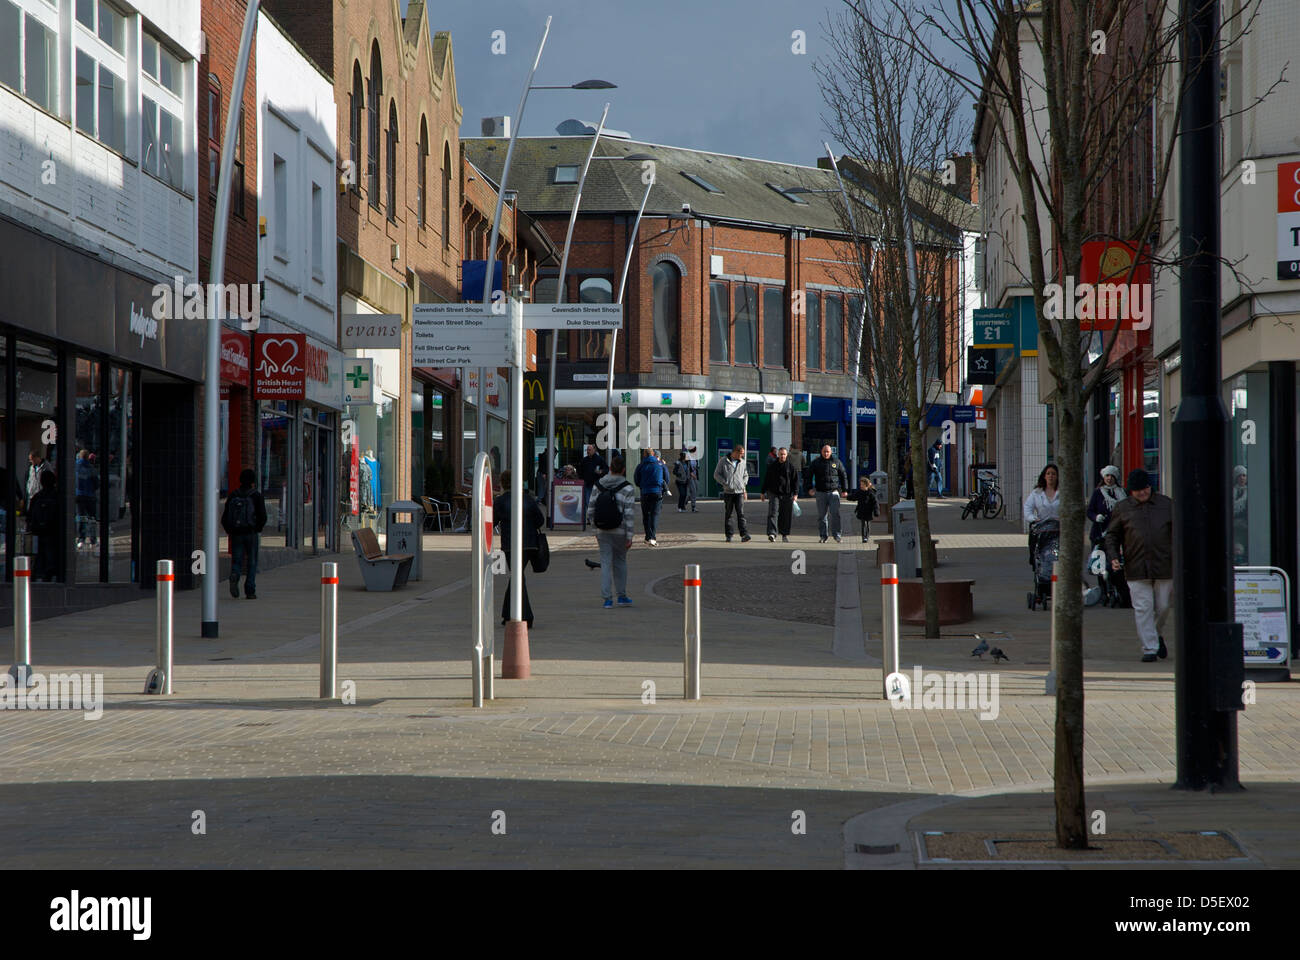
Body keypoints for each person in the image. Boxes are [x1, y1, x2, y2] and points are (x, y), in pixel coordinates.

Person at [1104, 469, 1174, 662]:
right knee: (1143, 608)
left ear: (1150, 487)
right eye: (1137, 490)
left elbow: (1178, 531)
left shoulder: (1166, 504)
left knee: (1163, 606)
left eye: (1145, 489)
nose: (1142, 493)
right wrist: (1113, 556)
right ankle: (1149, 648)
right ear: (1130, 491)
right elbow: (1112, 535)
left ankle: (1156, 634)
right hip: (1136, 566)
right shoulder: (1122, 508)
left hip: (1164, 565)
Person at [496, 470, 545, 628]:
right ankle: (508, 614)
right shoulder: (527, 499)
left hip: (510, 545)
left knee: (517, 578)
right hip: (529, 544)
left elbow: (492, 521)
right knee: (517, 577)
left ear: (503, 483)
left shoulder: (501, 501)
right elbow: (539, 520)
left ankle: (525, 616)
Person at [587, 455, 637, 608]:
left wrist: (595, 530)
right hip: (620, 531)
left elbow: (590, 510)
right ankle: (622, 596)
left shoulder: (598, 485)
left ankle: (607, 599)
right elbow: (629, 514)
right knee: (620, 562)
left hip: (602, 529)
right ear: (623, 470)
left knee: (605, 562)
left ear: (609, 468)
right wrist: (629, 536)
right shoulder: (628, 488)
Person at [221, 468, 267, 599]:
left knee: (237, 559)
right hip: (251, 533)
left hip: (236, 534)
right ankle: (250, 590)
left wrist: (231, 531)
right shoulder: (256, 496)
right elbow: (263, 516)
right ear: (253, 481)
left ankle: (235, 573)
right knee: (252, 562)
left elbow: (224, 518)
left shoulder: (233, 495)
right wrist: (257, 528)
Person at [1087, 464, 1130, 606]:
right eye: (1106, 476)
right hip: (1100, 534)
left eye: (1111, 476)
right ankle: (1103, 592)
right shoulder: (1098, 493)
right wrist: (1096, 517)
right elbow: (1090, 511)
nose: (1109, 478)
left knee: (1116, 564)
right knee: (1100, 565)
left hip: (1118, 533)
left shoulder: (1122, 492)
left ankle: (1118, 591)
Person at [1022, 462, 1061, 567]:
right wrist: (1033, 519)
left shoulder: (1062, 492)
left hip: (1059, 527)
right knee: (1034, 538)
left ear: (1057, 476)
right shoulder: (1037, 493)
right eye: (1048, 473)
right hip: (1042, 526)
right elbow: (1027, 507)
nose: (1051, 476)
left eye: (1053, 474)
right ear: (1044, 476)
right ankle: (1034, 560)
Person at [809, 444, 848, 543]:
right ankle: (823, 536)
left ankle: (837, 535)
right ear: (821, 452)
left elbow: (843, 475)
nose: (826, 453)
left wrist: (844, 490)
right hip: (821, 493)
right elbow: (808, 475)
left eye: (828, 452)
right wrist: (809, 488)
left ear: (831, 452)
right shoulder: (816, 463)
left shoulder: (836, 462)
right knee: (822, 516)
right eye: (824, 451)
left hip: (834, 493)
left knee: (835, 514)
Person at [27, 469, 59, 581]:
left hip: (38, 531)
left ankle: (38, 572)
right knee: (50, 552)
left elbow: (29, 515)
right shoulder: (57, 496)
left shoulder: (37, 496)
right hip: (52, 531)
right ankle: (49, 572)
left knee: (38, 552)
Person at [713, 445, 751, 542]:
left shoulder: (743, 462)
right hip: (728, 492)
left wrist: (744, 485)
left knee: (741, 513)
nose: (742, 456)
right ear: (735, 452)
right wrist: (725, 483)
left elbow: (746, 475)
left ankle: (744, 534)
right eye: (741, 454)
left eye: (743, 454)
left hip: (739, 492)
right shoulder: (723, 461)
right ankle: (729, 535)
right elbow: (716, 474)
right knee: (729, 514)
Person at [762, 446, 799, 542]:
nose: (782, 456)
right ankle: (772, 533)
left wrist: (795, 494)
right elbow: (767, 479)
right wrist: (763, 492)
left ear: (787, 455)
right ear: (778, 454)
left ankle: (784, 534)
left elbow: (795, 481)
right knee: (773, 512)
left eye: (784, 454)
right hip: (774, 493)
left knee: (785, 515)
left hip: (787, 494)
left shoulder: (791, 467)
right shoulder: (773, 466)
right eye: (781, 454)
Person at [633, 449, 668, 546]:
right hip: (657, 492)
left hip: (645, 492)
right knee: (654, 515)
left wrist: (642, 486)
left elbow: (636, 479)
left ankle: (648, 537)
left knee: (646, 516)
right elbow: (667, 478)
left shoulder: (641, 465)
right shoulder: (660, 464)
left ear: (644, 455)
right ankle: (652, 538)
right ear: (653, 454)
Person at [578, 443, 608, 529]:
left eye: (589, 450)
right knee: (587, 502)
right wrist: (581, 479)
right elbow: (580, 471)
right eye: (587, 450)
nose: (588, 451)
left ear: (594, 450)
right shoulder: (584, 460)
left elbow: (606, 469)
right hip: (587, 484)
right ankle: (588, 518)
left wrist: (601, 472)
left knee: (595, 502)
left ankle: (594, 518)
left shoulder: (599, 459)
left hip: (596, 485)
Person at [75, 448, 99, 549]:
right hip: (90, 496)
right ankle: (93, 540)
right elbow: (97, 484)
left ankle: (81, 539)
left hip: (79, 496)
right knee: (91, 518)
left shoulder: (75, 467)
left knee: (81, 517)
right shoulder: (91, 468)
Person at [848, 476, 879, 542]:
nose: (861, 486)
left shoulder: (871, 493)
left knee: (867, 523)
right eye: (860, 484)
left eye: (863, 485)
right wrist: (848, 497)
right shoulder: (860, 492)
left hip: (868, 511)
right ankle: (864, 537)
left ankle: (866, 536)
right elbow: (854, 497)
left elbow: (875, 503)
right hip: (861, 510)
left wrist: (876, 511)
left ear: (867, 485)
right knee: (863, 524)